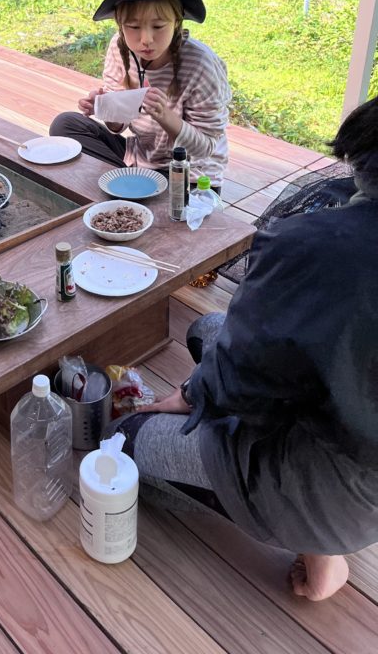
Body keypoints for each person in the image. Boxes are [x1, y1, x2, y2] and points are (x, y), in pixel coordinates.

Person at [113, 94, 378, 601]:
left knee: (125, 440)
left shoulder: (320, 245)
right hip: (344, 426)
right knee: (208, 326)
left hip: (332, 485)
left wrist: (191, 395)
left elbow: (251, 366)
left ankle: (319, 547)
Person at [50, 0, 231, 188]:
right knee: (65, 124)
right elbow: (117, 126)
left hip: (190, 172)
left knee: (163, 203)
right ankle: (131, 185)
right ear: (120, 24)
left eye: (158, 26)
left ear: (177, 23)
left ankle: (126, 187)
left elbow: (204, 149)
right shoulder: (120, 47)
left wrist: (164, 116)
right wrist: (105, 107)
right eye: (133, 27)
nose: (146, 39)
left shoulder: (200, 63)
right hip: (140, 157)